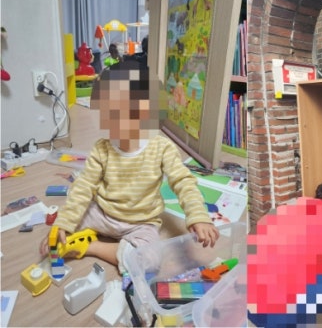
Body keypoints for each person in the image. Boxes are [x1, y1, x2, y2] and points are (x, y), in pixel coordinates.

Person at [39, 60, 219, 272]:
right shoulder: (101, 149)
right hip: (101, 213)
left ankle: (90, 246)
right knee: (62, 229)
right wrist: (63, 223)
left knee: (150, 261)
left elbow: (184, 183)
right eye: (108, 111)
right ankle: (86, 238)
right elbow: (84, 187)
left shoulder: (162, 148)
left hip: (140, 223)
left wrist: (198, 216)